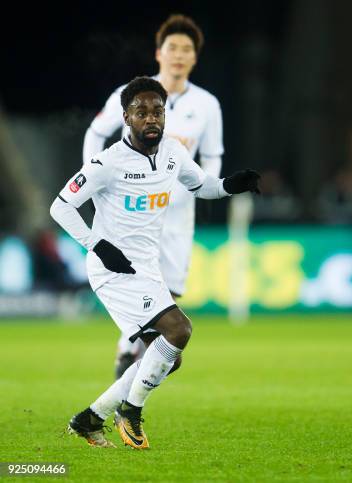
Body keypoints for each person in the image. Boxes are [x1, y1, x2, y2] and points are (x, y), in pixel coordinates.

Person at [51, 77, 260, 448]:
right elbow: (60, 206)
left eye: (158, 111)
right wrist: (97, 244)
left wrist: (230, 185)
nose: (151, 118)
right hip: (113, 269)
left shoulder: (173, 153)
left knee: (167, 359)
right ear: (126, 117)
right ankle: (130, 412)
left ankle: (90, 418)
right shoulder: (107, 162)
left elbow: (200, 186)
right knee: (179, 330)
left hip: (146, 267)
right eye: (141, 111)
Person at [83, 14, 223, 379]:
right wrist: (94, 181)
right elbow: (95, 133)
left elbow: (212, 158)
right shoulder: (132, 95)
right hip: (130, 216)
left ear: (195, 57)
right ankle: (128, 368)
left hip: (177, 216)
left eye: (187, 49)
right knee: (137, 292)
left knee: (169, 298)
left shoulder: (207, 105)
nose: (179, 55)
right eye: (172, 48)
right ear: (159, 53)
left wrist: (207, 186)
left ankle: (127, 360)